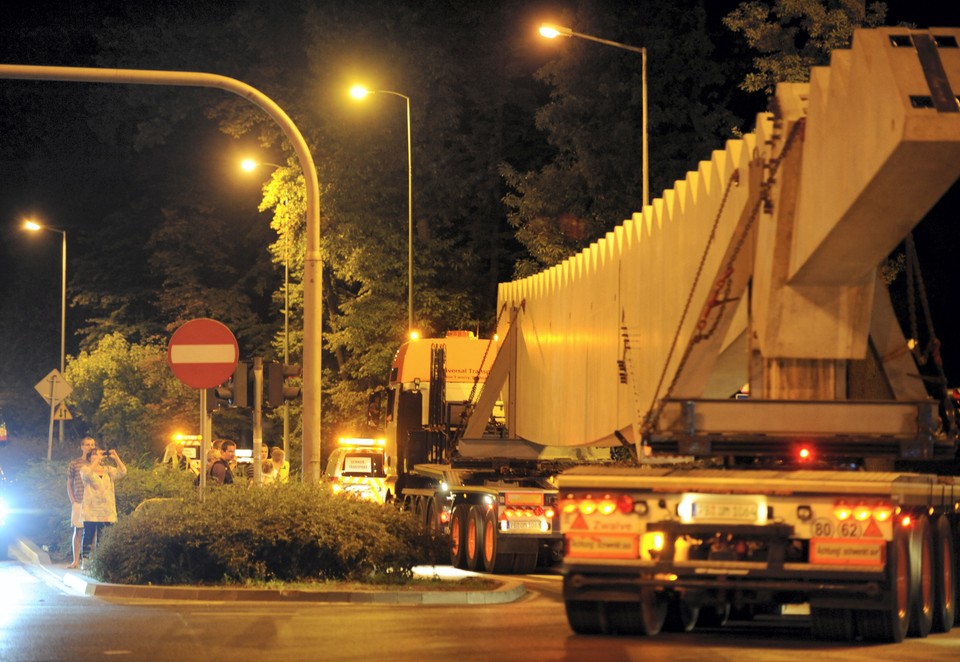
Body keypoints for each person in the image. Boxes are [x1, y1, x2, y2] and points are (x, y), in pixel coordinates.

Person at [79, 448, 127, 567]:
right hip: (91, 510)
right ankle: (85, 561)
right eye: (95, 454)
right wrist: (97, 460)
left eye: (99, 454)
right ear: (90, 458)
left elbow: (123, 472)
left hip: (106, 510)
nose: (98, 456)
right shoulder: (85, 469)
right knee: (88, 535)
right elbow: (86, 475)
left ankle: (101, 562)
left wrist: (116, 457)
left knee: (103, 536)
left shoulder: (108, 470)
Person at [66, 436, 96, 569]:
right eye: (88, 444)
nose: (91, 447)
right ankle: (76, 561)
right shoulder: (75, 463)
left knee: (93, 532)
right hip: (78, 500)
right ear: (82, 447)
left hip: (93, 502)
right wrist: (72, 500)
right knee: (78, 531)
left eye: (93, 444)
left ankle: (91, 561)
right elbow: (69, 482)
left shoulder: (96, 464)